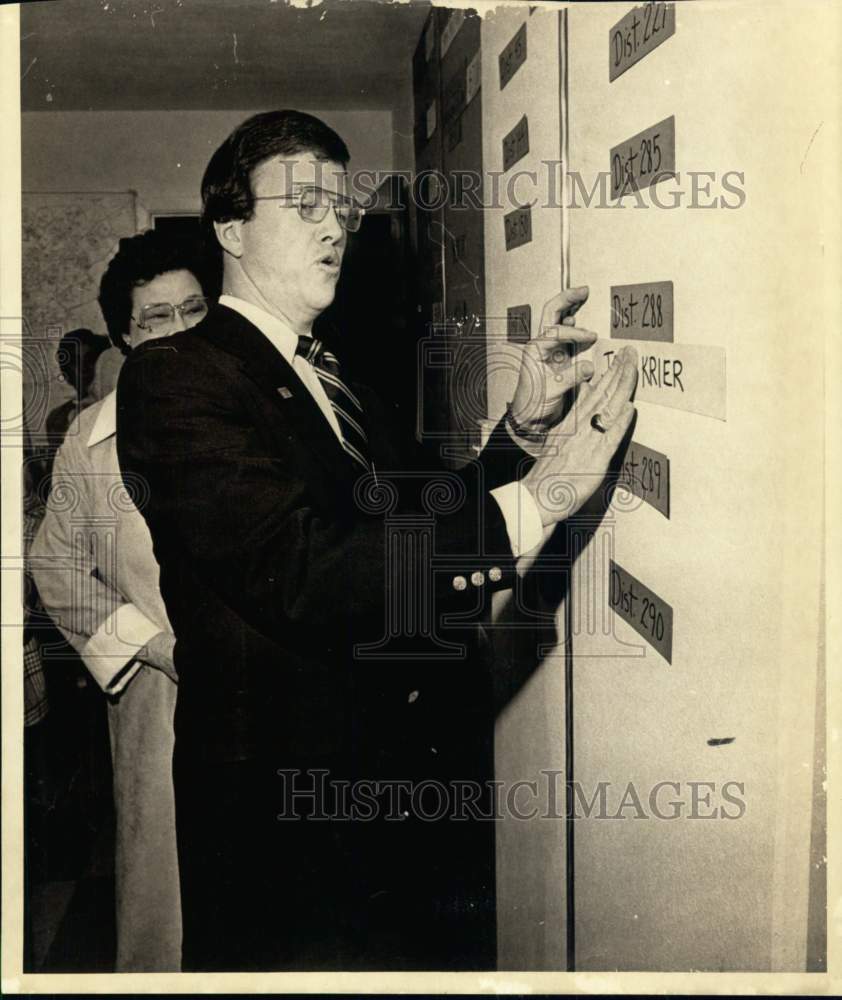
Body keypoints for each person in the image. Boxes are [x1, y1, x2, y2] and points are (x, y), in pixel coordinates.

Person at [116, 110, 638, 971]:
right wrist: (542, 499)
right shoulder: (174, 376)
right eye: (306, 204)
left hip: (382, 793)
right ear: (230, 226)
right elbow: (310, 574)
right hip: (279, 825)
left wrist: (520, 432)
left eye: (342, 210)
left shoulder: (335, 377)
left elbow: (417, 524)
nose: (335, 227)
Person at [31, 229, 219, 971]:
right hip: (160, 694)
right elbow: (55, 561)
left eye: (194, 311)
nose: (177, 333)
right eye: (155, 319)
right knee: (163, 892)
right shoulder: (90, 440)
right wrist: (153, 645)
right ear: (124, 336)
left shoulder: (263, 412)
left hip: (273, 692)